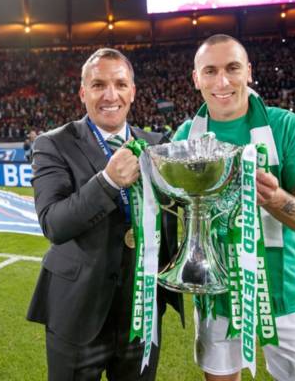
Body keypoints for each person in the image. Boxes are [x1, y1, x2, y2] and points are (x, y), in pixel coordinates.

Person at [173, 34, 295, 381]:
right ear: (196, 78)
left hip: (282, 294)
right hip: (215, 295)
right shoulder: (185, 137)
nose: (222, 82)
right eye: (210, 71)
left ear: (249, 72)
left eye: (232, 68)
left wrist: (275, 198)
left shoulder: (284, 126)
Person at [27, 48, 182, 381]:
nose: (110, 95)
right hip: (77, 312)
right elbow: (54, 223)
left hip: (141, 314)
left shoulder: (157, 144)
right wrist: (108, 181)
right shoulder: (53, 144)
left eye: (120, 84)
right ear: (83, 93)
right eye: (98, 85)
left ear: (133, 91)